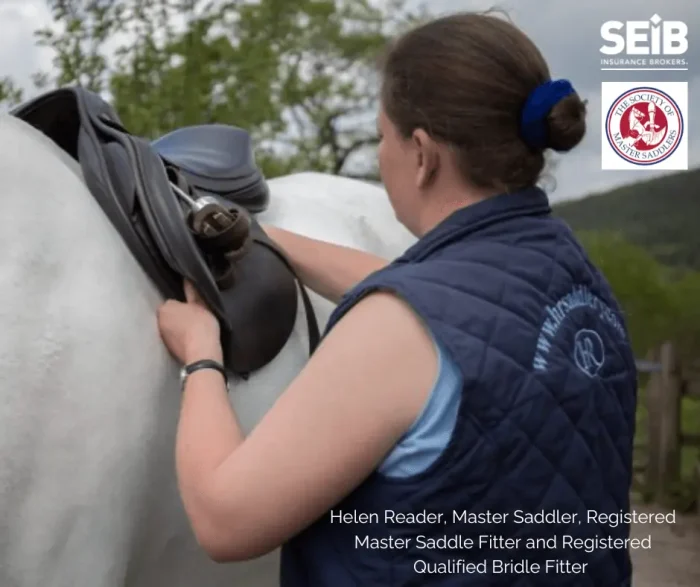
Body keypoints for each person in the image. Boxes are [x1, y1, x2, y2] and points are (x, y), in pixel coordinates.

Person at [157, 11, 637, 586]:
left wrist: (200, 353)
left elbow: (224, 521)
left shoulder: (400, 329)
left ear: (423, 153)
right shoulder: (574, 273)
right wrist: (265, 239)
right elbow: (445, 302)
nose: (381, 158)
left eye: (383, 137)